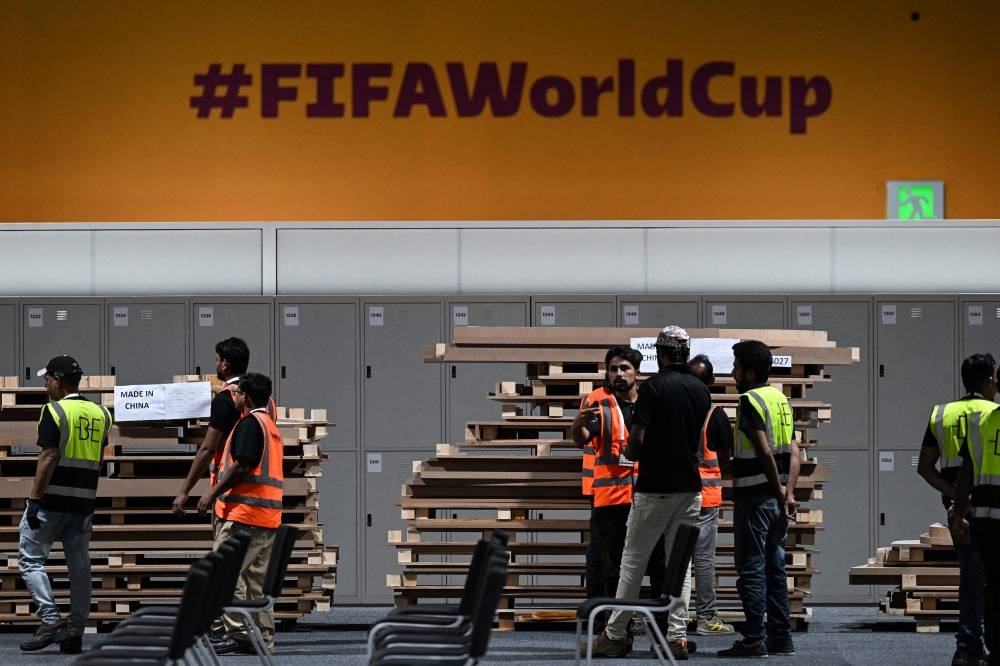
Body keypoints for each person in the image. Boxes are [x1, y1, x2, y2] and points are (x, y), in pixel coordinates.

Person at [589, 326, 710, 660]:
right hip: (689, 488)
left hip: (655, 487)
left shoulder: (654, 387)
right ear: (685, 352)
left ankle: (614, 635)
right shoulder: (700, 390)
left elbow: (638, 441)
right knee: (680, 566)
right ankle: (676, 637)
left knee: (632, 562)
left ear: (661, 353)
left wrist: (632, 449)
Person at [19, 356, 112, 654]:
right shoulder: (101, 413)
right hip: (83, 504)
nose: (46, 385)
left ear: (58, 381)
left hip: (51, 502)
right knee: (80, 569)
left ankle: (49, 620)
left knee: (30, 559)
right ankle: (75, 631)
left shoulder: (54, 410)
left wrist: (34, 499)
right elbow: (98, 459)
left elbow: (48, 456)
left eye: (47, 379)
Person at [571, 346, 664, 637]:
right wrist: (577, 423)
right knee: (611, 566)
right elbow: (582, 439)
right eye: (613, 369)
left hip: (647, 495)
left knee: (656, 563)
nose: (618, 374)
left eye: (624, 368)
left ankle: (656, 627)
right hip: (611, 498)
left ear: (637, 372)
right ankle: (613, 629)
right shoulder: (597, 400)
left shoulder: (650, 399)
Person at [718, 340, 799, 658]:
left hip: (755, 496)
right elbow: (795, 452)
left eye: (737, 367)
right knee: (775, 567)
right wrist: (788, 493)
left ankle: (754, 639)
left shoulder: (749, 400)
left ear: (750, 372)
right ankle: (781, 638)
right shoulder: (780, 400)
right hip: (777, 500)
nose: (733, 372)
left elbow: (764, 449)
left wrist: (777, 488)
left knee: (751, 568)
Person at [197, 372, 285, 655]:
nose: (233, 396)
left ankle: (238, 634)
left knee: (224, 572)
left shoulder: (249, 424)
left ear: (244, 396)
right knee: (255, 582)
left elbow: (242, 466)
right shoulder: (269, 425)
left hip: (245, 515)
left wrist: (211, 492)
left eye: (236, 393)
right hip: (267, 517)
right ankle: (264, 638)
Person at [918, 353, 995, 666]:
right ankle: (973, 645)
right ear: (990, 379)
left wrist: (955, 498)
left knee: (971, 577)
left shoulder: (942, 414)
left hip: (957, 509)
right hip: (992, 504)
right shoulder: (992, 414)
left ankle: (969, 646)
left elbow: (925, 467)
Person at [173, 337, 253, 518]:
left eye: (217, 360)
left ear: (225, 364)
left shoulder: (225, 399)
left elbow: (208, 449)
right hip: (260, 496)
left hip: (231, 494)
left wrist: (184, 491)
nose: (216, 365)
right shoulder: (265, 398)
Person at [688, 355, 736, 636]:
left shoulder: (675, 411)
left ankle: (674, 620)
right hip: (705, 499)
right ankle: (706, 618)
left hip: (677, 497)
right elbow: (725, 460)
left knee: (676, 562)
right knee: (703, 561)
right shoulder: (715, 414)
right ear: (712, 382)